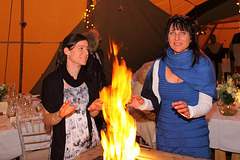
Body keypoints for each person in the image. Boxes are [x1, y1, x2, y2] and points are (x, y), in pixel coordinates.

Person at [127, 14, 217, 159]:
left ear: (191, 37)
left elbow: (206, 105)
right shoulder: (159, 64)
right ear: (167, 37)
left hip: (193, 139)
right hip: (165, 138)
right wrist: (142, 104)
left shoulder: (203, 64)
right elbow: (155, 103)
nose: (177, 38)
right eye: (172, 33)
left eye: (182, 33)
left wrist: (190, 111)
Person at [41, 33, 107, 160]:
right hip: (65, 148)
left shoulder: (89, 78)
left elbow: (91, 114)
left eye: (87, 49)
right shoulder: (52, 81)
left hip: (91, 144)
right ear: (67, 51)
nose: (86, 52)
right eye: (80, 48)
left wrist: (97, 107)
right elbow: (46, 119)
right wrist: (60, 114)